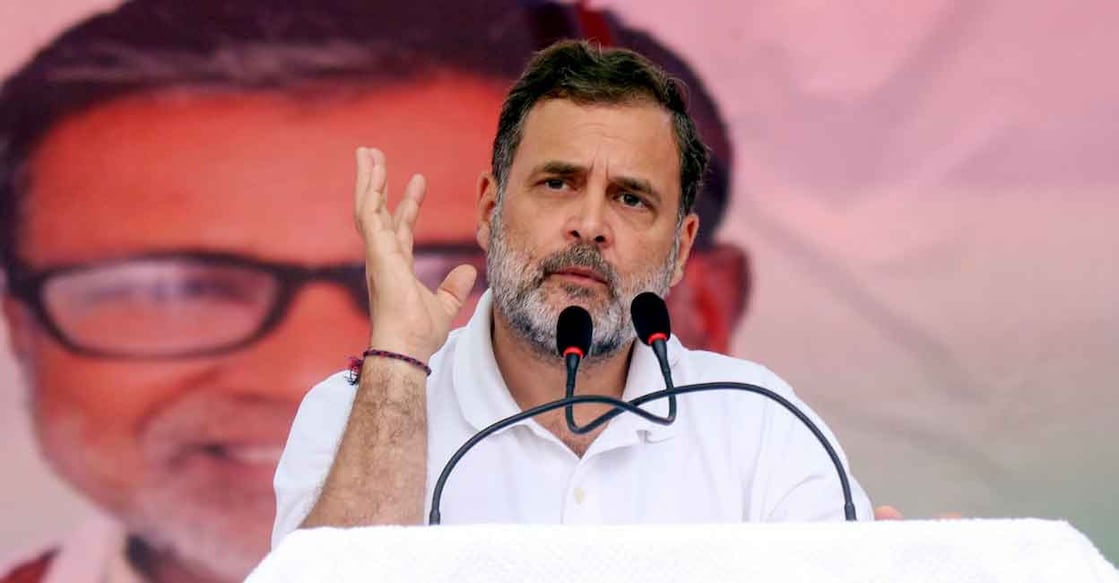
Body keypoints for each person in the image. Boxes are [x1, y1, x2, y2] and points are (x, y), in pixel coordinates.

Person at [0, 0, 747, 580]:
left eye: (457, 274)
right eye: (174, 289)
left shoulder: (772, 447)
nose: (299, 375)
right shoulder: (334, 410)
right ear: (18, 328)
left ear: (698, 303)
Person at [272, 40, 872, 545]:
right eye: (558, 183)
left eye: (630, 198)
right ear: (490, 207)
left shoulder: (761, 424)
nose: (590, 224)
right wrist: (400, 361)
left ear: (683, 247)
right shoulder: (358, 413)